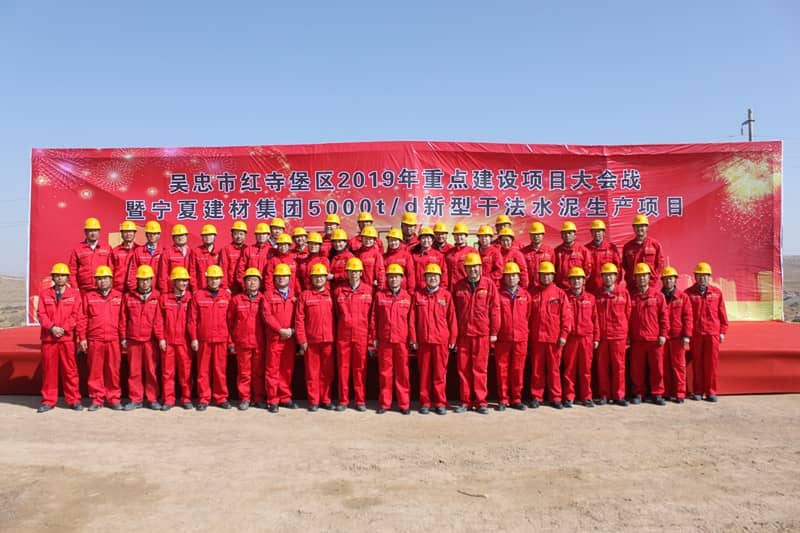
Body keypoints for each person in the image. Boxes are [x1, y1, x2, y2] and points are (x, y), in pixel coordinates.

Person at [452, 252, 500, 414]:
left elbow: (495, 309)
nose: (473, 270)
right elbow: (453, 312)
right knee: (463, 369)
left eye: (476, 267)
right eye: (470, 267)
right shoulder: (458, 286)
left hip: (482, 334)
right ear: (465, 269)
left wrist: (494, 332)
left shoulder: (488, 284)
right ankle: (465, 401)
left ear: (481, 268)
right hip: (464, 334)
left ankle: (481, 402)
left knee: (480, 369)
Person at [409, 263, 457, 415]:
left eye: (435, 276)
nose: (432, 278)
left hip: (441, 341)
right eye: (429, 275)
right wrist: (413, 339)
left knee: (439, 374)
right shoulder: (418, 295)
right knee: (424, 374)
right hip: (423, 341)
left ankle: (440, 403)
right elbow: (412, 319)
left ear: (440, 278)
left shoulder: (446, 295)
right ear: (425, 278)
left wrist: (453, 338)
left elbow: (452, 318)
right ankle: (425, 403)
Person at [36, 262, 82, 413]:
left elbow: (76, 315)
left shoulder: (74, 294)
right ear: (53, 277)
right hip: (49, 339)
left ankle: (74, 400)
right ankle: (48, 400)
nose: (60, 278)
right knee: (49, 371)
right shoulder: (44, 294)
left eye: (63, 275)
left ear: (67, 277)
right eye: (57, 275)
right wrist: (52, 328)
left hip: (66, 339)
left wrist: (64, 329)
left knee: (70, 371)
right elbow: (41, 314)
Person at [77, 265, 123, 411]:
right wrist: (82, 338)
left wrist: (123, 338)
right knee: (95, 371)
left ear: (111, 279)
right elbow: (82, 318)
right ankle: (96, 399)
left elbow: (124, 319)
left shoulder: (119, 297)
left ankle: (114, 398)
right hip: (94, 339)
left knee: (113, 371)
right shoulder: (89, 297)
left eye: (105, 278)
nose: (102, 281)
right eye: (99, 279)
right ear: (96, 281)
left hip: (113, 339)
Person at [528, 261, 572, 409]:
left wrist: (563, 335)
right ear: (539, 276)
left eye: (548, 274)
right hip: (537, 338)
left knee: (554, 369)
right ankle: (537, 396)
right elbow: (527, 317)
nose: (546, 277)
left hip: (554, 339)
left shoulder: (560, 294)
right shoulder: (532, 294)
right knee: (537, 369)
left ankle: (556, 397)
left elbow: (566, 317)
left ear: (553, 276)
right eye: (543, 274)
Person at [333, 258, 374, 411]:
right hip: (343, 336)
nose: (354, 274)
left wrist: (370, 339)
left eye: (357, 272)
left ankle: (360, 400)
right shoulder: (338, 291)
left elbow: (372, 317)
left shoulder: (369, 291)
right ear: (347, 273)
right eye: (351, 271)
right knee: (343, 369)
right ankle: (343, 400)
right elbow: (335, 314)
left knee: (360, 369)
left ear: (361, 273)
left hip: (361, 335)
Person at [188, 265, 232, 411]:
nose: (214, 281)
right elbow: (192, 320)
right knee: (203, 370)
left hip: (221, 339)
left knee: (220, 370)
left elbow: (231, 320)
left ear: (221, 279)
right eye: (211, 278)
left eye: (217, 278)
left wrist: (231, 341)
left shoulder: (226, 296)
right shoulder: (198, 295)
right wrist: (194, 338)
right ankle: (204, 398)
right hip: (204, 339)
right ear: (206, 279)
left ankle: (221, 398)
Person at [372, 264, 412, 414]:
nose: (393, 279)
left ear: (402, 279)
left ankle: (404, 404)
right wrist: (373, 338)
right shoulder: (380, 296)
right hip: (385, 340)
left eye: (396, 276)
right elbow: (374, 318)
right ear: (387, 279)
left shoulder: (407, 297)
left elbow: (411, 320)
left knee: (403, 373)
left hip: (402, 340)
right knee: (385, 373)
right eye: (391, 277)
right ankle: (385, 403)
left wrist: (412, 339)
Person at [686, 262, 728, 402]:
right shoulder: (688, 294)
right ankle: (698, 391)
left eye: (705, 275)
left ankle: (711, 391)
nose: (702, 278)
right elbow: (686, 315)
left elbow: (722, 313)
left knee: (711, 364)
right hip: (696, 334)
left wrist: (723, 331)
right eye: (699, 275)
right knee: (697, 363)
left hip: (712, 333)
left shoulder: (717, 293)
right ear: (695, 277)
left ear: (709, 277)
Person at [295, 263, 336, 411]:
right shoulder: (305, 296)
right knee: (312, 373)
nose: (318, 279)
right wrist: (302, 339)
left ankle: (326, 399)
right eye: (316, 277)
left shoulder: (331, 295)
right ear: (311, 278)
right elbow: (299, 319)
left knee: (327, 372)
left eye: (321, 276)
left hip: (328, 340)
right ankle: (314, 400)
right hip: (311, 341)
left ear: (326, 278)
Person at [121, 264, 161, 410]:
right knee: (134, 371)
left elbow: (160, 320)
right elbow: (123, 318)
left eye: (147, 280)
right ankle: (135, 399)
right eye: (142, 280)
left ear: (152, 280)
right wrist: (123, 337)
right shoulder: (129, 297)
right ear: (137, 280)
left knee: (151, 371)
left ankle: (152, 398)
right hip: (133, 339)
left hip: (151, 340)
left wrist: (160, 338)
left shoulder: (158, 297)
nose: (145, 283)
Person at [628, 263, 668, 406]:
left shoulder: (658, 296)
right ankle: (638, 393)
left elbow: (664, 317)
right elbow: (626, 318)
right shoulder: (631, 297)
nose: (642, 278)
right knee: (637, 369)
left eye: (644, 275)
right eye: (639, 276)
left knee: (657, 368)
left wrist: (663, 334)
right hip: (637, 339)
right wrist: (628, 336)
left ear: (649, 277)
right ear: (635, 278)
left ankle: (657, 393)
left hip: (654, 339)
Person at [227, 268, 266, 411]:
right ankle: (245, 398)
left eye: (255, 280)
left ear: (260, 283)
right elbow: (229, 322)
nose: (252, 283)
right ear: (244, 283)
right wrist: (231, 342)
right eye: (249, 280)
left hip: (260, 343)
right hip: (242, 342)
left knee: (258, 373)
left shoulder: (264, 300)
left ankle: (259, 398)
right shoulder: (236, 300)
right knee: (244, 373)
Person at [594, 263, 632, 406]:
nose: (608, 278)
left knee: (619, 366)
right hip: (603, 336)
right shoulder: (597, 295)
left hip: (618, 335)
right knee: (602, 367)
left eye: (611, 275)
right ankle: (604, 395)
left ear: (616, 277)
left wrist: (625, 332)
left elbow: (628, 312)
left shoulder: (623, 293)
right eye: (605, 275)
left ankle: (619, 395)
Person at [155, 266, 193, 410]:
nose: (184, 283)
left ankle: (186, 398)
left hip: (185, 342)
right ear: (174, 281)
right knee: (167, 372)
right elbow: (158, 320)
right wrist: (161, 338)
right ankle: (168, 399)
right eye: (181, 280)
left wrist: (193, 338)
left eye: (185, 280)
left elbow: (195, 320)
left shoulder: (191, 298)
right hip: (168, 341)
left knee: (186, 372)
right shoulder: (164, 299)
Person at [495, 262, 531, 411]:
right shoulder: (498, 295)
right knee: (502, 370)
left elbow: (529, 315)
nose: (511, 278)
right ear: (504, 277)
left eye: (514, 275)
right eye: (508, 276)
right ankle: (503, 399)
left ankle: (516, 398)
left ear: (519, 277)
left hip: (520, 338)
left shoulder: (525, 295)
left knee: (518, 369)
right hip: (503, 338)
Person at [263, 263, 297, 413]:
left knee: (287, 369)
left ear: (289, 278)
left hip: (290, 338)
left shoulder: (294, 295)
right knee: (272, 369)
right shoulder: (268, 295)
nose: (281, 278)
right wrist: (280, 330)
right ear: (274, 278)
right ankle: (273, 399)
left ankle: (285, 397)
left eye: (284, 276)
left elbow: (299, 315)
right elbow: (267, 315)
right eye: (278, 276)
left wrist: (292, 330)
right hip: (275, 338)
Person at [563, 267, 599, 408]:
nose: (576, 281)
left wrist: (596, 338)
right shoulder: (565, 297)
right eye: (573, 279)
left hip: (586, 337)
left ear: (584, 281)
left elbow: (595, 319)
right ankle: (569, 396)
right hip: (571, 338)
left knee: (586, 369)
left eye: (579, 278)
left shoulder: (590, 298)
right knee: (569, 369)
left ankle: (586, 397)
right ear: (569, 281)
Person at [661, 266, 693, 403]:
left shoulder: (682, 297)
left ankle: (680, 393)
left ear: (675, 280)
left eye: (671, 278)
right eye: (666, 279)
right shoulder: (658, 296)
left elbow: (688, 317)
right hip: (663, 337)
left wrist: (687, 335)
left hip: (677, 337)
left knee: (679, 366)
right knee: (664, 366)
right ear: (662, 281)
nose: (668, 281)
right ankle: (666, 392)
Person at [622, 214, 665, 292]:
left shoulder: (655, 245)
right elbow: (625, 265)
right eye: (637, 226)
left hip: (651, 285)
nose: (639, 228)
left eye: (642, 226)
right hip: (632, 286)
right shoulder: (627, 247)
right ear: (633, 228)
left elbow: (660, 264)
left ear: (647, 227)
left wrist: (654, 277)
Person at [68, 217, 111, 292]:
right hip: (84, 290)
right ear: (85, 232)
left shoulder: (107, 248)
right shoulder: (78, 249)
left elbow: (112, 268)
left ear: (99, 232)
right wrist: (75, 288)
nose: (93, 233)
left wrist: (110, 286)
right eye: (90, 231)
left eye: (95, 230)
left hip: (103, 290)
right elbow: (72, 271)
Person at [126, 221, 165, 293]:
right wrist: (134, 291)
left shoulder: (164, 252)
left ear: (159, 235)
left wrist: (163, 292)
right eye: (150, 233)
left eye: (155, 233)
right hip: (141, 291)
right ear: (146, 234)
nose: (152, 236)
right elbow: (132, 271)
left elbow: (165, 275)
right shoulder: (138, 251)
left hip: (159, 292)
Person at [585, 220, 621, 294]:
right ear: (591, 233)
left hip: (607, 289)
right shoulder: (586, 249)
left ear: (604, 233)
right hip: (591, 288)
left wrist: (614, 286)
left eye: (599, 231)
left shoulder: (611, 248)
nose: (597, 233)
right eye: (594, 231)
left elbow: (618, 268)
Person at [554, 221, 592, 291]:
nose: (567, 235)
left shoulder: (583, 251)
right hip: (561, 289)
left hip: (577, 289)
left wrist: (579, 284)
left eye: (569, 233)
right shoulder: (556, 251)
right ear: (561, 235)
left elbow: (587, 271)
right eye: (565, 233)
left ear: (575, 235)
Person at [235, 222, 272, 290]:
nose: (261, 236)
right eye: (259, 234)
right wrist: (244, 286)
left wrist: (270, 289)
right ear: (255, 235)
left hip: (266, 287)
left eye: (264, 234)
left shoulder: (272, 251)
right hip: (250, 287)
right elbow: (240, 269)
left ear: (268, 236)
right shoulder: (248, 250)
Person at [157, 224, 192, 293]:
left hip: (188, 291)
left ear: (186, 236)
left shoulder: (192, 252)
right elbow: (162, 275)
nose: (180, 238)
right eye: (177, 236)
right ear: (173, 238)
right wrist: (164, 292)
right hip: (172, 290)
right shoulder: (167, 253)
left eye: (182, 235)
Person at [522, 221, 555, 289]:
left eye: (538, 234)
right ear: (530, 235)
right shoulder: (523, 252)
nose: (536, 236)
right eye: (534, 234)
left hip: (545, 288)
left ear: (543, 235)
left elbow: (553, 271)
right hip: (529, 288)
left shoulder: (550, 251)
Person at [444, 223, 476, 291]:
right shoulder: (448, 253)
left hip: (465, 287)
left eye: (461, 235)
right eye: (456, 235)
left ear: (466, 236)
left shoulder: (472, 251)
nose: (459, 237)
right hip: (451, 288)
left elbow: (477, 271)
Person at [383, 228, 416, 293]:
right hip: (387, 291)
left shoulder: (406, 256)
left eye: (395, 240)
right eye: (391, 240)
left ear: (400, 241)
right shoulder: (384, 257)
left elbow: (410, 274)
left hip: (404, 291)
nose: (393, 243)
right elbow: (383, 275)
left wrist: (411, 290)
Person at [190, 224, 221, 292]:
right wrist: (194, 289)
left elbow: (223, 271)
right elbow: (192, 272)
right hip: (200, 288)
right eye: (205, 235)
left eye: (210, 235)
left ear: (215, 237)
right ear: (202, 237)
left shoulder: (220, 252)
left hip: (216, 288)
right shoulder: (196, 252)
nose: (208, 237)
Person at [219, 221, 248, 294]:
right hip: (230, 288)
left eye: (241, 234)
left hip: (245, 287)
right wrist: (225, 287)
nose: (238, 237)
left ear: (245, 235)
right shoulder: (226, 249)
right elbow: (223, 269)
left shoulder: (248, 249)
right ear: (232, 235)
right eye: (236, 234)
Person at [110, 221, 138, 293]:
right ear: (121, 234)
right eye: (125, 232)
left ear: (134, 233)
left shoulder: (139, 250)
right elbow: (110, 271)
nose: (128, 234)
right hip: (118, 289)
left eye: (130, 232)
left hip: (135, 288)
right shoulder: (115, 251)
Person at [356, 226, 386, 290]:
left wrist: (380, 287)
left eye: (370, 239)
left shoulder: (377, 254)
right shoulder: (358, 254)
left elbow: (380, 271)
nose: (367, 241)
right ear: (362, 239)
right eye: (365, 238)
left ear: (374, 240)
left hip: (373, 288)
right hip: (360, 288)